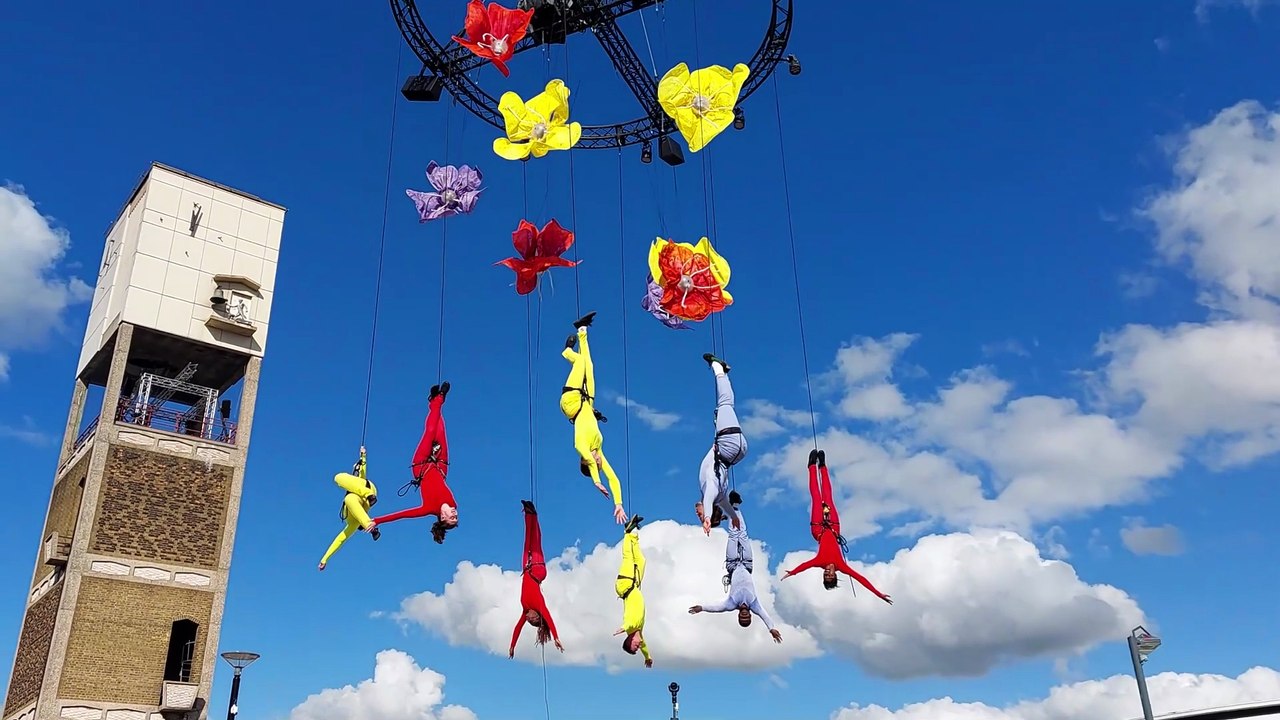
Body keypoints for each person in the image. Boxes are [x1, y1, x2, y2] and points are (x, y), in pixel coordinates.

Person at [780, 449, 893, 604]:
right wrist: (879, 594)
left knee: (816, 496)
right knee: (828, 496)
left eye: (825, 575)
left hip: (818, 529)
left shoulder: (819, 562)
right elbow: (861, 579)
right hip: (833, 528)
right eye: (830, 575)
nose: (827, 573)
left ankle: (812, 466)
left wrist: (792, 572)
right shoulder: (841, 566)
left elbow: (805, 565)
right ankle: (823, 466)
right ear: (835, 575)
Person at [368, 382, 459, 543]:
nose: (455, 515)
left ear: (443, 518)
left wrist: (377, 520)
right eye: (456, 518)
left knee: (430, 431)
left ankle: (439, 399)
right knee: (440, 428)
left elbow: (402, 515)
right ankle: (434, 403)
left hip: (421, 466)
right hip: (441, 465)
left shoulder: (428, 508)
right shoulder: (454, 503)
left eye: (452, 519)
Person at [560, 311, 627, 524]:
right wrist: (619, 503)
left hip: (571, 403)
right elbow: (614, 478)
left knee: (578, 363)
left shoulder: (583, 447)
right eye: (599, 464)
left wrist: (596, 481)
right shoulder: (599, 450)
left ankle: (567, 352)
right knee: (589, 365)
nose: (599, 461)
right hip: (587, 402)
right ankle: (582, 329)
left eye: (595, 464)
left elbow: (588, 458)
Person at [688, 511, 782, 642]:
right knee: (742, 534)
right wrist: (771, 628)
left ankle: (731, 509)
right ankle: (735, 508)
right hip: (747, 564)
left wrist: (701, 608)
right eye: (747, 617)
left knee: (733, 535)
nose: (744, 615)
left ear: (738, 615)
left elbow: (716, 608)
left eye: (742, 617)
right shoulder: (754, 605)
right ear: (750, 615)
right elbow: (765, 616)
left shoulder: (731, 604)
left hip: (732, 564)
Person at [694, 353, 747, 535]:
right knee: (725, 403)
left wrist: (733, 517)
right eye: (699, 516)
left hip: (736, 451)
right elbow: (708, 501)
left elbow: (727, 508)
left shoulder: (722, 496)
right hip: (728, 445)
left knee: (727, 405)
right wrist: (707, 518)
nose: (697, 513)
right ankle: (718, 368)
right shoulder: (711, 489)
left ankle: (723, 372)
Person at [509, 500, 564, 657]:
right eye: (530, 619)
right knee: (536, 539)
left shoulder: (525, 609)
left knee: (528, 541)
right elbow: (550, 619)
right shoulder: (539, 606)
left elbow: (517, 628)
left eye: (527, 619)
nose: (526, 618)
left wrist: (512, 646)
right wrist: (556, 637)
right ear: (536, 617)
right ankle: (534, 515)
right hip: (537, 570)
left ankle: (528, 513)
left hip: (526, 567)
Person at [318, 447, 380, 570]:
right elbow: (362, 477)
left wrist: (324, 559)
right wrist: (363, 457)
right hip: (367, 491)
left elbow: (340, 539)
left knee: (343, 485)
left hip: (365, 491)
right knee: (339, 480)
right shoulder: (354, 523)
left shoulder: (352, 523)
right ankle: (370, 525)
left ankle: (370, 522)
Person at [612, 514, 652, 667]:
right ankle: (633, 531)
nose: (638, 645)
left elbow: (627, 624)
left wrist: (621, 629)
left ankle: (627, 533)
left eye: (635, 646)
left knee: (628, 557)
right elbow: (644, 646)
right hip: (633, 584)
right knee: (641, 560)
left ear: (630, 640)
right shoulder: (639, 632)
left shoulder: (631, 625)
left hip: (625, 585)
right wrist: (647, 657)